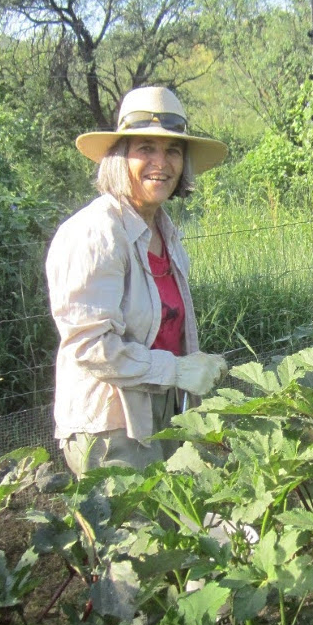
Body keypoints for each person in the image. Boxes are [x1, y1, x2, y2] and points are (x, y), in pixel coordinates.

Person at [46, 85, 228, 477]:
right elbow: (91, 346)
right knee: (139, 535)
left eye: (173, 150)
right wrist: (176, 371)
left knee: (175, 527)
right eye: (145, 148)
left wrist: (187, 365)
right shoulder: (97, 233)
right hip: (111, 426)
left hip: (160, 408)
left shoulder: (163, 230)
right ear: (119, 157)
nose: (161, 163)